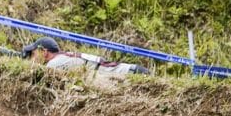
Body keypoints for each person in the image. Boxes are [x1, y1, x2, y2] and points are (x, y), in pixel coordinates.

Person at [20, 37, 150, 75]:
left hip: (131, 73)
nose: (32, 58)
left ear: (44, 52)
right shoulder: (64, 57)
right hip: (131, 70)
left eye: (33, 53)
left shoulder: (54, 64)